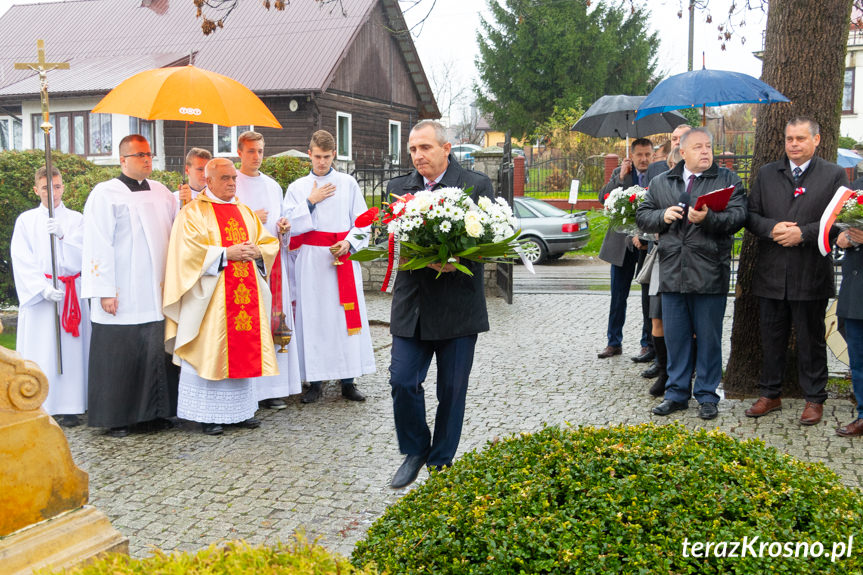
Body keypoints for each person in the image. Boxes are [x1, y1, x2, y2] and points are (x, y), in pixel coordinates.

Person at [385, 119, 493, 489]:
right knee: (401, 380)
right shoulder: (398, 188)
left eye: (425, 148)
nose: (418, 156)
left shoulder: (475, 185)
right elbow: (392, 240)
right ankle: (415, 449)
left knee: (451, 389)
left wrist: (458, 260)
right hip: (412, 305)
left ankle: (441, 461)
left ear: (446, 148)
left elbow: (491, 240)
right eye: (413, 149)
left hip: (458, 307)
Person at [744, 117, 849, 425]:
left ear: (816, 140)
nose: (794, 144)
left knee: (811, 340)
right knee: (771, 337)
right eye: (790, 139)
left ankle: (814, 398)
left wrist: (803, 233)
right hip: (772, 271)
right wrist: (771, 227)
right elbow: (750, 215)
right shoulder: (766, 173)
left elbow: (839, 219)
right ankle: (770, 393)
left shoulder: (833, 174)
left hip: (810, 272)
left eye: (801, 139)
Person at [636, 127, 746, 420]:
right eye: (698, 147)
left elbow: (738, 217)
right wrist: (662, 216)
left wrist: (708, 218)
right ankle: (676, 393)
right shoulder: (661, 182)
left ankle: (707, 395)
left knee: (709, 339)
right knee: (677, 338)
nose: (705, 151)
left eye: (708, 146)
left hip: (709, 271)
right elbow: (642, 215)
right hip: (673, 272)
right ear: (682, 153)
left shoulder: (727, 180)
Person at [164, 158, 280, 435]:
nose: (231, 183)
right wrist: (226, 254)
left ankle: (240, 412)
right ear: (208, 181)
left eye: (233, 178)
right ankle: (207, 415)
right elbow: (186, 253)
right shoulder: (192, 213)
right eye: (225, 178)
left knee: (242, 350)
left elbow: (267, 242)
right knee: (210, 350)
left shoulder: (245, 211)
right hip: (211, 299)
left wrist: (257, 252)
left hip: (245, 296)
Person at [81, 134, 179, 438]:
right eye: (139, 155)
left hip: (156, 289)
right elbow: (97, 243)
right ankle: (118, 417)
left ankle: (157, 412)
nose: (147, 159)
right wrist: (105, 290)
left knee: (155, 352)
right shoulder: (105, 194)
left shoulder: (163, 193)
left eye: (149, 154)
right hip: (121, 290)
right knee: (121, 353)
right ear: (122, 159)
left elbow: (178, 236)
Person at [281, 130, 375, 404]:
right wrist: (311, 201)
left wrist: (349, 243)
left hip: (341, 259)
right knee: (314, 319)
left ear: (334, 154)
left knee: (343, 319)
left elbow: (362, 221)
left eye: (326, 156)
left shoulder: (347, 183)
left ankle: (348, 380)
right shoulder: (298, 187)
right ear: (309, 154)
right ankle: (315, 381)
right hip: (311, 260)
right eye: (317, 156)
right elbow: (287, 226)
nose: (321, 162)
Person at [11, 166, 89, 427]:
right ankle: (43, 402)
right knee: (43, 347)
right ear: (36, 190)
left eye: (56, 186)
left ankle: (71, 405)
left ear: (63, 187)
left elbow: (87, 254)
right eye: (46, 188)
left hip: (70, 291)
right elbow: (20, 258)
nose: (52, 192)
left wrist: (64, 236)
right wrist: (41, 288)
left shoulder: (76, 219)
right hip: (42, 294)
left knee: (71, 349)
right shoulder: (26, 220)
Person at [234, 130, 301, 410]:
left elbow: (280, 223)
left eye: (260, 151)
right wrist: (249, 216)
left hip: (274, 267)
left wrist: (284, 228)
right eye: (251, 151)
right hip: (245, 267)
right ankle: (250, 388)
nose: (257, 157)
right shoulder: (231, 182)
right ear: (239, 152)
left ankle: (274, 387)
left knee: (275, 322)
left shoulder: (273, 186)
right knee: (252, 325)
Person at [597, 137, 653, 362]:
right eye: (639, 154)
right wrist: (620, 178)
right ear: (632, 154)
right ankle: (613, 342)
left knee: (648, 298)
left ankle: (646, 343)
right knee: (618, 296)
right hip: (622, 245)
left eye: (648, 154)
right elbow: (604, 198)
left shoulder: (657, 175)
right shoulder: (620, 173)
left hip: (646, 244)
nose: (644, 159)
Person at [836, 226, 863, 436]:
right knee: (859, 361)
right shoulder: (852, 192)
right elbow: (828, 228)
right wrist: (845, 236)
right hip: (855, 290)